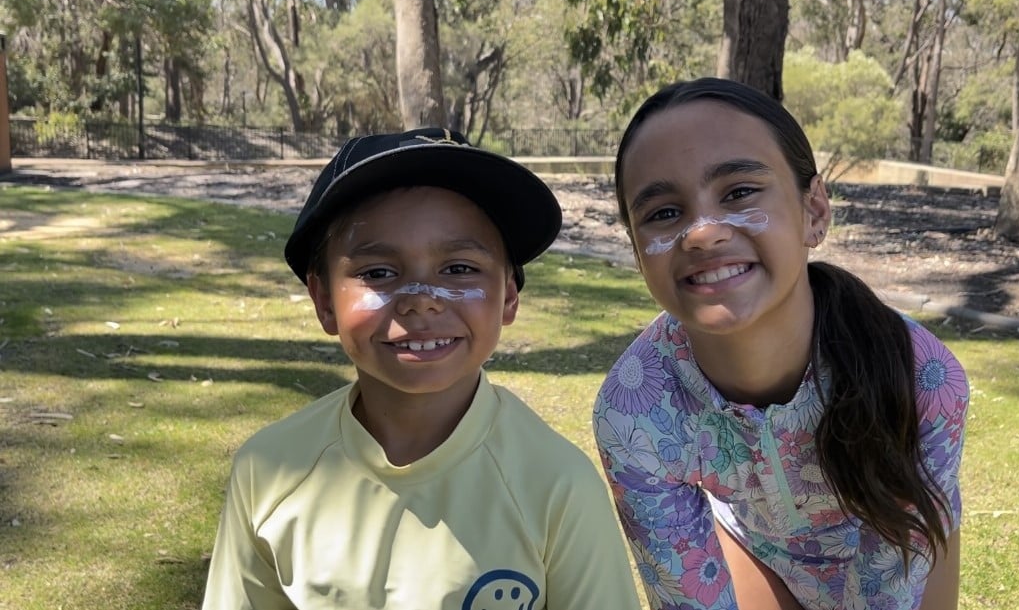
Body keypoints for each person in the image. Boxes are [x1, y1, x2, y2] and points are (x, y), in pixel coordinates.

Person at [203, 128, 642, 609]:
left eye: (458, 269)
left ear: (508, 297)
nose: (420, 301)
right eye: (378, 272)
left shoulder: (559, 487)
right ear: (324, 300)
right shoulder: (268, 470)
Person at [593, 78, 970, 610]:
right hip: (758, 549)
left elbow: (891, 587)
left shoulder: (925, 380)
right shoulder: (634, 410)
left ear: (813, 210)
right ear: (637, 250)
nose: (701, 233)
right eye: (662, 213)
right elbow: (686, 597)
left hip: (896, 545)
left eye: (740, 192)